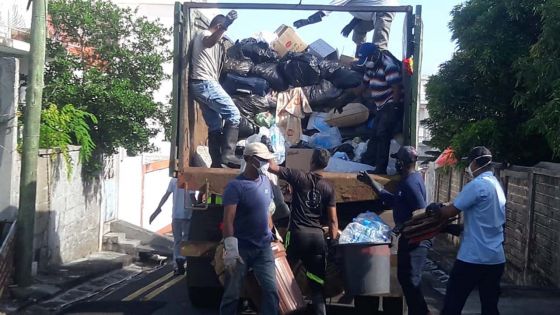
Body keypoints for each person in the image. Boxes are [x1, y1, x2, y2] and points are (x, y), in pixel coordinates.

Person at [427, 146, 506, 315]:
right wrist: (457, 229)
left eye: (469, 163)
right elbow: (485, 222)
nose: (468, 167)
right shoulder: (496, 186)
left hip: (473, 258)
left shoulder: (478, 185)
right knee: (490, 308)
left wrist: (434, 210)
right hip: (495, 259)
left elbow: (449, 211)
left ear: (476, 163)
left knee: (452, 305)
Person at [357, 146, 431, 315]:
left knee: (411, 282)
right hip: (409, 239)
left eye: (397, 160)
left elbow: (421, 212)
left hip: (415, 241)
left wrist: (401, 226)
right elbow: (393, 201)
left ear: (401, 163)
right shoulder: (407, 180)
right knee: (406, 281)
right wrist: (372, 183)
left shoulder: (411, 183)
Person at [268, 149, 339, 315]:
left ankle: (284, 308)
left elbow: (272, 168)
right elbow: (333, 221)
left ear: (311, 161)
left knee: (285, 277)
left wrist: (268, 152)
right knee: (317, 287)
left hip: (297, 236)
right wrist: (333, 243)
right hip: (317, 240)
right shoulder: (329, 188)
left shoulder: (299, 177)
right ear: (326, 165)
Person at [220, 142, 279, 315]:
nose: (265, 163)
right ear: (248, 159)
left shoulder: (266, 181)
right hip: (242, 250)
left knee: (271, 291)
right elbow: (228, 220)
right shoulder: (235, 187)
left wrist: (273, 232)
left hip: (263, 249)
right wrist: (230, 249)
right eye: (261, 159)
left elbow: (267, 210)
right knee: (232, 294)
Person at [190, 11, 241, 168]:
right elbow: (209, 41)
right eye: (222, 29)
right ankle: (228, 155)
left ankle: (216, 162)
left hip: (200, 85)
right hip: (205, 83)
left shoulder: (212, 39)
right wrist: (226, 26)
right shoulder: (204, 34)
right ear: (218, 26)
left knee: (215, 125)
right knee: (234, 115)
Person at [356, 43, 403, 174]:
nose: (367, 63)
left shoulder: (388, 66)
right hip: (381, 106)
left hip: (390, 104)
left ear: (374, 55)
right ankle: (368, 162)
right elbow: (363, 86)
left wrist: (395, 108)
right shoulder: (371, 67)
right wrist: (345, 99)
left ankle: (380, 169)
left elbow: (396, 89)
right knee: (374, 134)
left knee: (382, 134)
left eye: (367, 60)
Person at [293, 0, 398, 52]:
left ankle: (381, 69)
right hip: (372, 13)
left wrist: (307, 21)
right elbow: (365, 7)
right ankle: (360, 56)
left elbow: (326, 10)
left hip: (384, 9)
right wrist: (350, 25)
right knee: (359, 29)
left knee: (379, 45)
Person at [149, 178, 193, 276]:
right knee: (185, 240)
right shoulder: (190, 180)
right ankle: (182, 259)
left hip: (176, 215)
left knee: (177, 240)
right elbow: (192, 196)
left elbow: (166, 195)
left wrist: (158, 208)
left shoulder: (173, 181)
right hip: (187, 215)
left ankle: (176, 265)